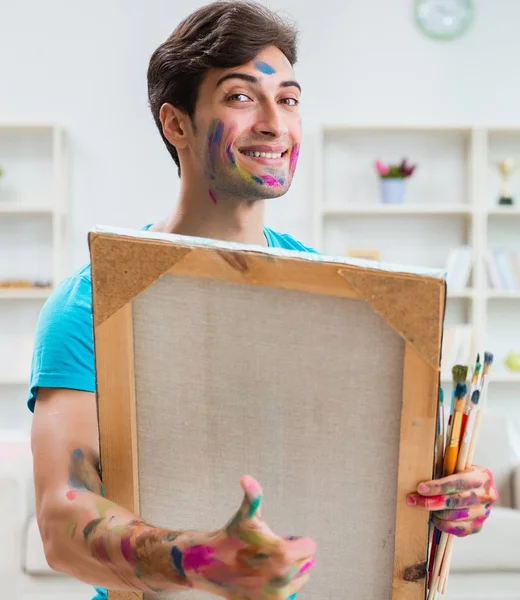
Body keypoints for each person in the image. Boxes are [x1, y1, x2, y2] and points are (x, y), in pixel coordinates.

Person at [28, 2, 498, 600]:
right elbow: (61, 522)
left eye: (291, 99)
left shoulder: (339, 295)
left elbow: (383, 472)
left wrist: (452, 497)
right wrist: (199, 560)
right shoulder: (92, 301)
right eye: (242, 97)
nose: (276, 123)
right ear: (177, 125)